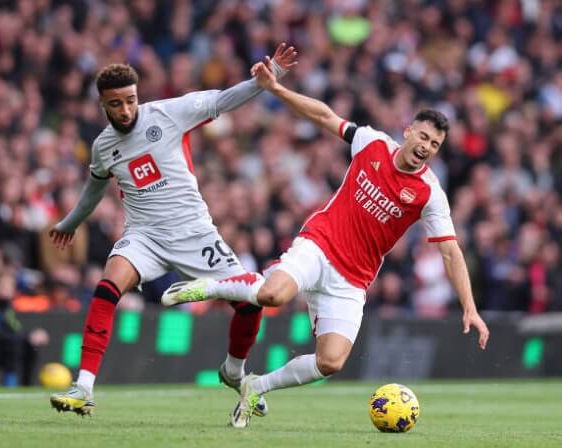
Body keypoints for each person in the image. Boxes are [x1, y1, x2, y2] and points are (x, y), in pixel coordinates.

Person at [162, 58, 491, 428]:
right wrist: (275, 89)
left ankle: (255, 387)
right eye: (423, 137)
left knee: (331, 362)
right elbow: (323, 116)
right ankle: (209, 286)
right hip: (320, 244)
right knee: (273, 295)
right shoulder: (373, 144)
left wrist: (470, 307)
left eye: (435, 144)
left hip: (353, 280)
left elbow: (450, 251)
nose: (427, 146)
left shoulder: (429, 193)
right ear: (408, 131)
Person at [48, 44, 297, 416]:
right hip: (144, 236)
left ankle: (233, 371)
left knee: (251, 303)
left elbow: (222, 100)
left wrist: (269, 76)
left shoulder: (166, 114)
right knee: (106, 287)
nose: (126, 110)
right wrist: (69, 223)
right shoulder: (103, 147)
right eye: (116, 104)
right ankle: (84, 386)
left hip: (195, 233)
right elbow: (93, 190)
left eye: (130, 100)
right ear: (102, 104)